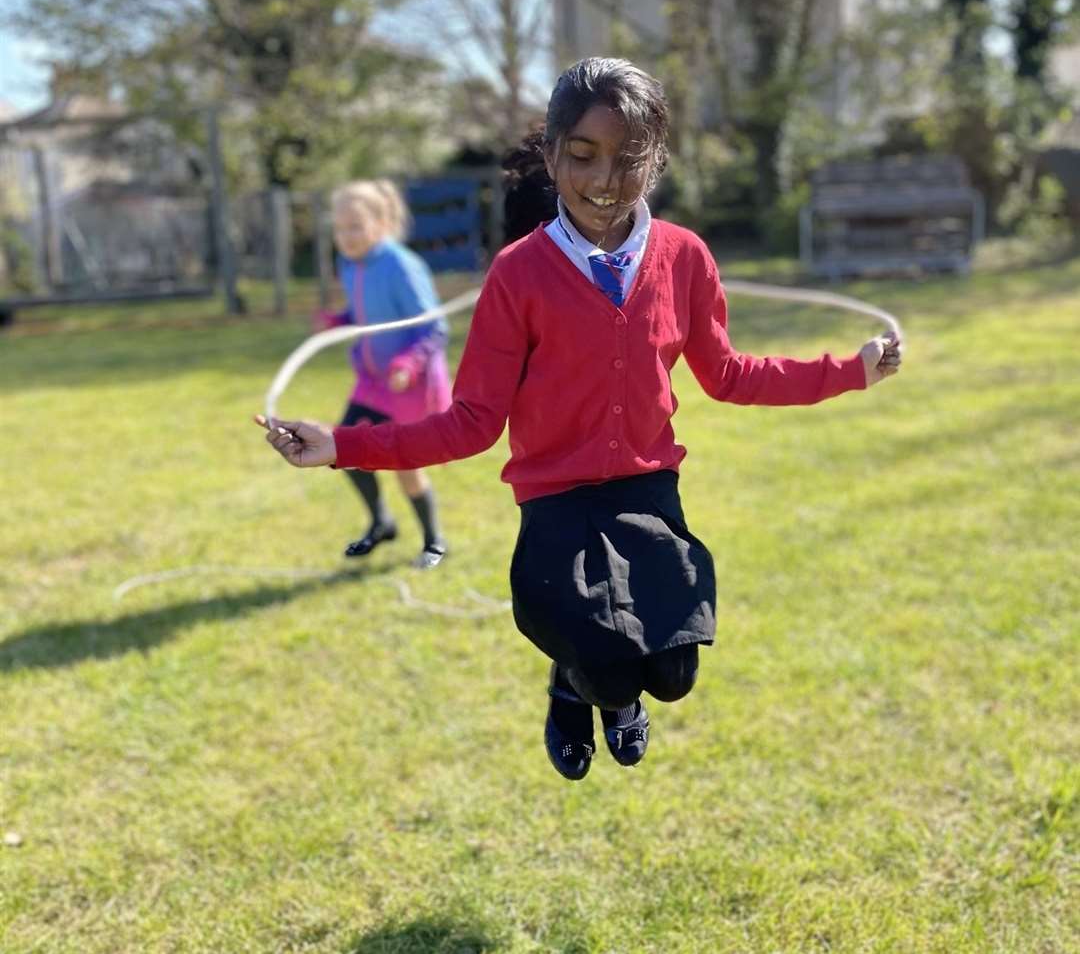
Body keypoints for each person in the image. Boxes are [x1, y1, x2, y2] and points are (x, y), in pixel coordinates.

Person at [256, 58, 903, 780]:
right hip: (556, 500)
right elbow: (469, 421)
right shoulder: (518, 274)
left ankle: (589, 678)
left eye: (629, 160)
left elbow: (728, 374)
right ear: (553, 154)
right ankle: (580, 686)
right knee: (607, 670)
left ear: (657, 160)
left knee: (673, 673)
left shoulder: (684, 257)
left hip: (646, 490)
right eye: (584, 156)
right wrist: (340, 444)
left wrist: (851, 370)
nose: (604, 181)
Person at [320, 179, 452, 570]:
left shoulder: (402, 266)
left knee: (406, 468)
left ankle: (433, 542)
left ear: (380, 223)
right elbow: (366, 315)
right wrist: (339, 320)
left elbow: (434, 328)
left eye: (356, 227)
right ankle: (381, 522)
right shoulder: (350, 263)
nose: (346, 237)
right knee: (343, 448)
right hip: (373, 382)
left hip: (409, 386)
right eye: (340, 229)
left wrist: (407, 364)